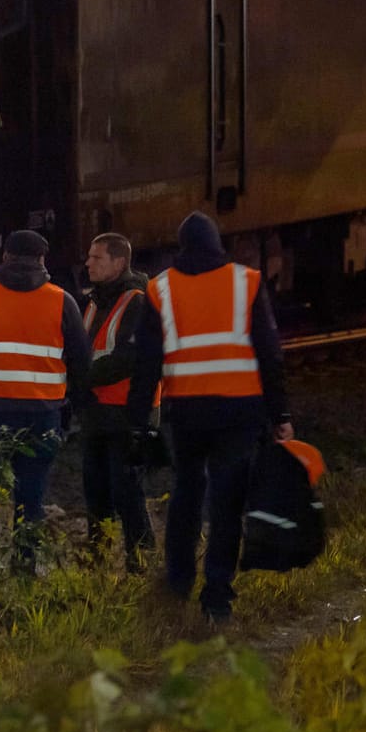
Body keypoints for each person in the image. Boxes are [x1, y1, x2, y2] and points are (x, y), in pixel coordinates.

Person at [130, 211, 292, 623]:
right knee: (227, 501)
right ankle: (217, 594)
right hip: (239, 412)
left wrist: (138, 420)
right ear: (217, 242)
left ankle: (179, 579)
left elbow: (145, 363)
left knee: (187, 491)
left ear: (181, 246)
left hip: (187, 412)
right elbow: (270, 354)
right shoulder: (247, 281)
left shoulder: (159, 288)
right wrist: (280, 414)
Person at [0, 229, 90, 569]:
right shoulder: (62, 301)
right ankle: (24, 568)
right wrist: (75, 408)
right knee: (31, 494)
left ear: (5, 257)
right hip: (42, 415)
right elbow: (83, 364)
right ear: (42, 260)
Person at [79, 232, 157, 569]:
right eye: (89, 257)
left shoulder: (136, 301)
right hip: (98, 413)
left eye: (97, 258)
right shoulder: (96, 299)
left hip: (127, 414)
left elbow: (129, 358)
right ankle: (98, 560)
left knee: (126, 492)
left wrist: (81, 377)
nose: (88, 263)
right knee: (96, 492)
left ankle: (140, 560)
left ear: (119, 262)